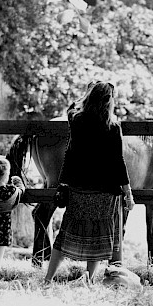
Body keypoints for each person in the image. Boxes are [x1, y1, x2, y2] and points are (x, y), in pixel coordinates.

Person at [43, 81, 134, 284]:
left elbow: (70, 153)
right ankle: (90, 280)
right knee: (98, 237)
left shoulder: (77, 121)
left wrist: (63, 182)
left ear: (90, 98)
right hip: (104, 191)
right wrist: (128, 193)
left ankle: (48, 279)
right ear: (109, 101)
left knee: (64, 234)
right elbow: (118, 162)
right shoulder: (113, 127)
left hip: (79, 188)